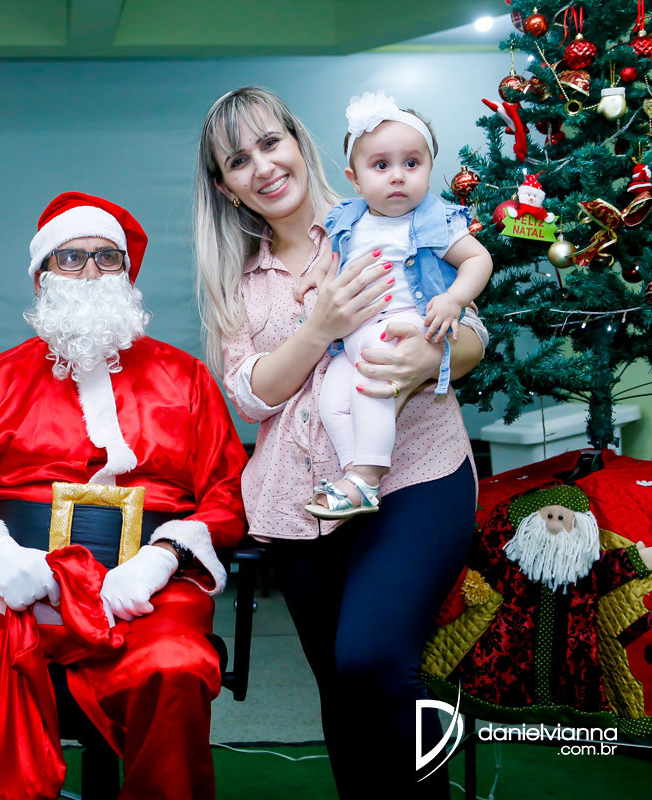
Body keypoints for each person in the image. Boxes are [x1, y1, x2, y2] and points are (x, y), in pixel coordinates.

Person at [0, 192, 247, 800]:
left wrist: (165, 557)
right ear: (41, 277)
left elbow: (228, 491)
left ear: (127, 273)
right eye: (71, 257)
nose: (92, 271)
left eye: (107, 257)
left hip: (146, 594)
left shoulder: (185, 379)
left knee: (173, 668)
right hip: (14, 590)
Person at [193, 87, 488, 797]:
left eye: (271, 143)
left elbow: (473, 334)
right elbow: (250, 395)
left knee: (373, 660)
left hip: (415, 474)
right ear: (226, 188)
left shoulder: (382, 210)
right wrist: (319, 327)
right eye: (239, 161)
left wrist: (429, 357)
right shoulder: (237, 278)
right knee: (341, 687)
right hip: (300, 506)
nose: (263, 167)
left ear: (299, 143)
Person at [302, 91, 493, 519]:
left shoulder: (434, 219)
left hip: (403, 323)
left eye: (411, 163)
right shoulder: (349, 217)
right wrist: (317, 275)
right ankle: (355, 476)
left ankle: (367, 476)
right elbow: (335, 256)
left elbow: (479, 259)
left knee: (372, 382)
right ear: (355, 179)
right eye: (381, 166)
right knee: (332, 398)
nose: (397, 177)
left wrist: (454, 299)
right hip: (354, 334)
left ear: (429, 168)